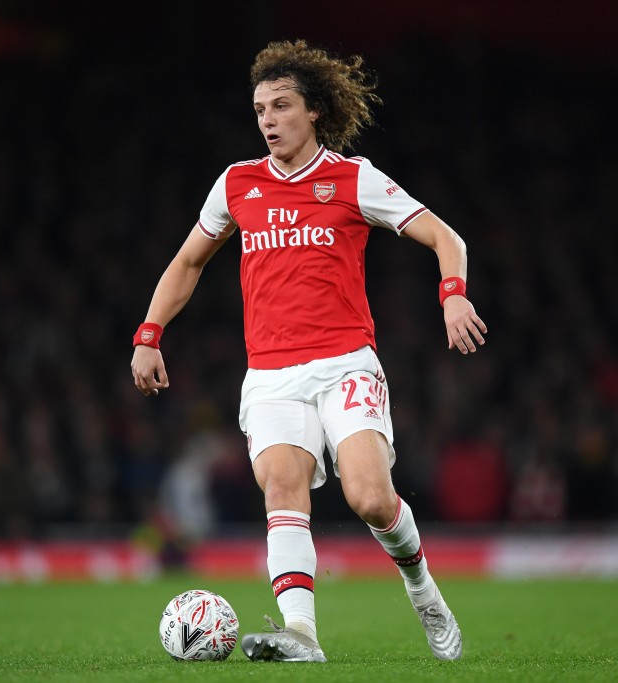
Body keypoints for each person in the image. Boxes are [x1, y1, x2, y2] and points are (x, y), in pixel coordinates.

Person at [131, 39, 486, 662]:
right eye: (259, 110)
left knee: (370, 498)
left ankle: (423, 590)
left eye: (281, 106)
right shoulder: (237, 184)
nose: (267, 120)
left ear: (314, 110)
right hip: (271, 374)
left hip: (345, 363)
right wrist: (149, 334)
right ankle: (301, 634)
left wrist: (453, 296)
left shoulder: (353, 179)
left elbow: (445, 237)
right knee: (281, 486)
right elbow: (188, 262)